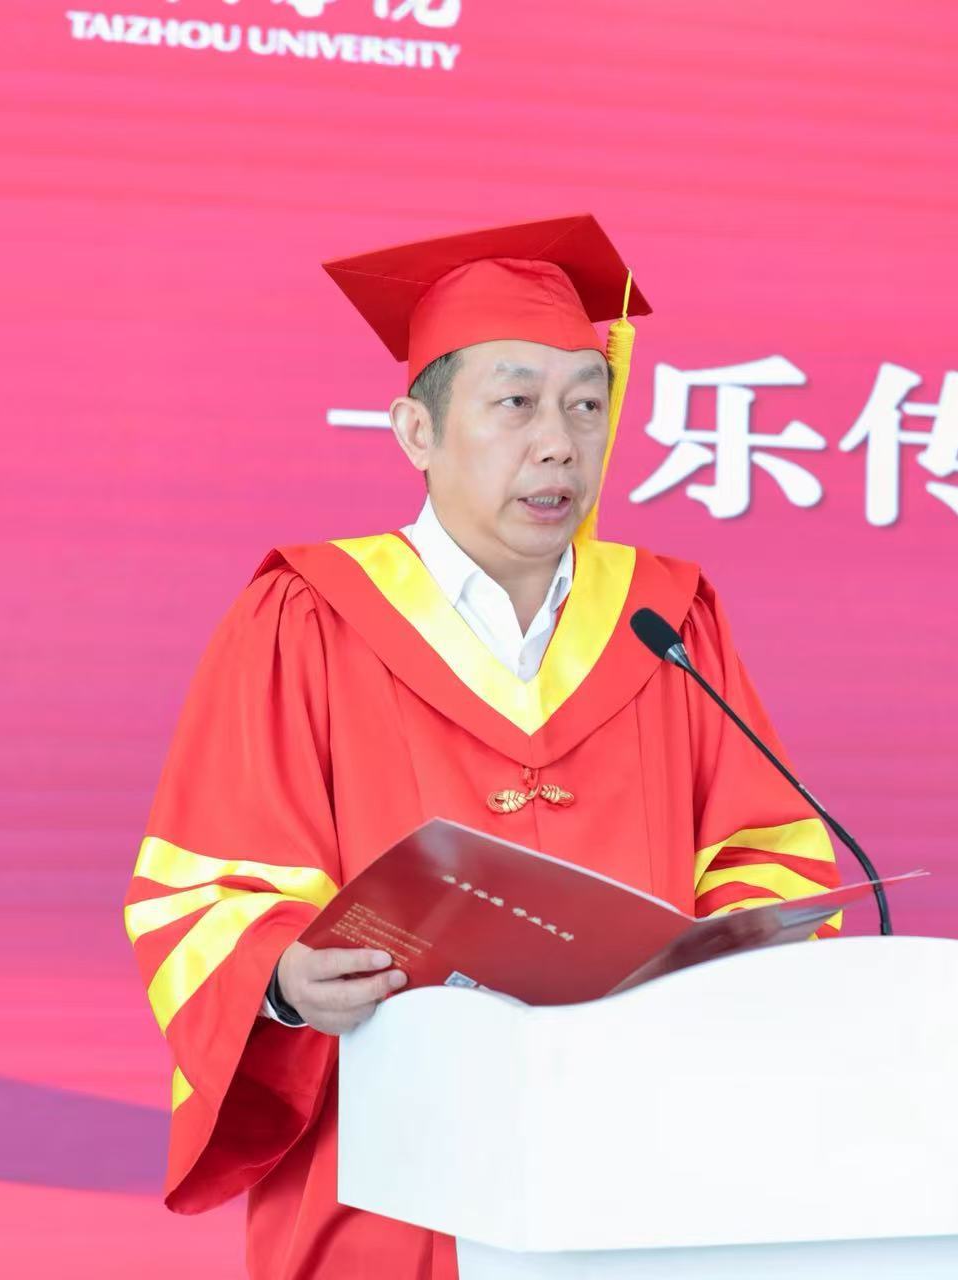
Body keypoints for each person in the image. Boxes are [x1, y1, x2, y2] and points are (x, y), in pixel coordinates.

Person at [122, 214, 842, 1279]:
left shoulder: (667, 620)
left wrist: (728, 956)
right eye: (516, 403)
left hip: (635, 1158)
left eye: (586, 404)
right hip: (387, 1162)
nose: (559, 442)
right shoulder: (307, 615)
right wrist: (282, 974)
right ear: (416, 431)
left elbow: (768, 852)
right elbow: (204, 888)